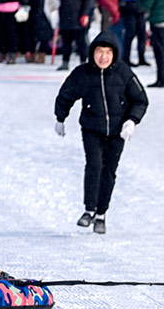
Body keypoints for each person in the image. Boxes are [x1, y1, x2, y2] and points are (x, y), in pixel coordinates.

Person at [54, 30, 149, 234]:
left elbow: (140, 99)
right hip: (92, 128)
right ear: (93, 52)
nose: (103, 57)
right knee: (94, 165)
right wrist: (60, 118)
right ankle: (89, 210)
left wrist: (131, 121)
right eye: (99, 51)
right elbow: (66, 94)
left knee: (109, 171)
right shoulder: (83, 73)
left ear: (114, 54)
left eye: (108, 52)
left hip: (117, 131)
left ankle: (101, 214)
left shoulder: (124, 73)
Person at [56, 0, 93, 71]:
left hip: (78, 17)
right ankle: (65, 62)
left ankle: (84, 62)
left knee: (81, 42)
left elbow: (88, 0)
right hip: (65, 16)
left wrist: (85, 14)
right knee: (66, 41)